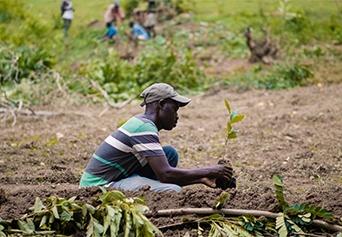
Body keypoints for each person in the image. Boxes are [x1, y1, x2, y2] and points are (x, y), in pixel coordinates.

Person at [80, 83, 233, 192]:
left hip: (118, 176)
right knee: (173, 190)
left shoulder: (142, 123)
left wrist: (200, 179)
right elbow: (165, 174)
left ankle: (147, 186)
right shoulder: (143, 128)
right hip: (99, 187)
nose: (177, 116)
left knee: (169, 154)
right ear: (161, 105)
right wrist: (211, 170)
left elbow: (165, 172)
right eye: (174, 109)